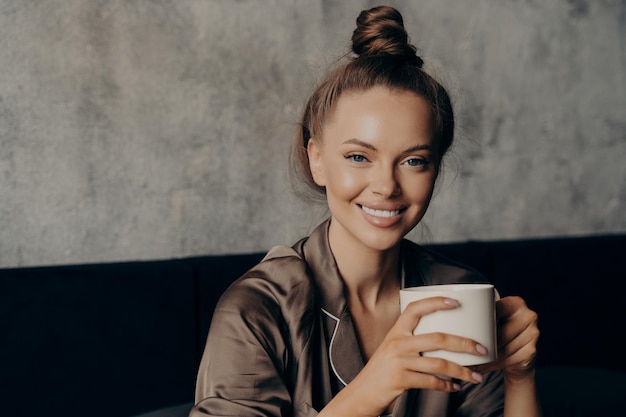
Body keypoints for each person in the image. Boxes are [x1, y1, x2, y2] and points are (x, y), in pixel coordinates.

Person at [190, 5, 540, 417]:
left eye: (413, 161)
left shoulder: (458, 292)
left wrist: (521, 376)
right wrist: (372, 388)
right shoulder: (256, 309)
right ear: (316, 159)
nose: (386, 186)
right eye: (359, 157)